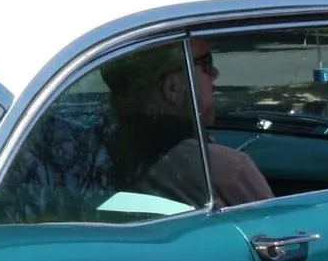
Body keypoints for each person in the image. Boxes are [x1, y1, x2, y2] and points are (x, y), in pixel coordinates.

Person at [114, 39, 274, 208]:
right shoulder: (228, 170)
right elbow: (274, 231)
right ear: (173, 88)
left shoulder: (104, 155)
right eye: (206, 64)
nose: (215, 73)